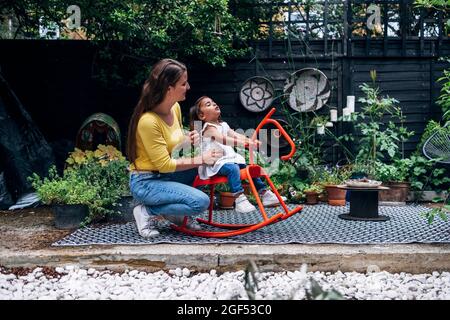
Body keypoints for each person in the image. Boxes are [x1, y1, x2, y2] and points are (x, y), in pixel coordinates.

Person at [127, 59, 223, 238]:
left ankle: (175, 214)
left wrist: (188, 138)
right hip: (146, 182)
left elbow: (174, 144)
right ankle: (147, 210)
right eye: (183, 83)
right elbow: (164, 164)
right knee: (200, 202)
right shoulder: (148, 121)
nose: (188, 87)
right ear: (168, 88)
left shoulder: (175, 108)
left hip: (165, 175)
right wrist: (202, 158)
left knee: (202, 171)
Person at [189, 96, 285, 214]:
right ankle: (239, 199)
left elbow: (236, 135)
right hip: (215, 164)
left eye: (214, 102)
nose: (214, 104)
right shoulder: (208, 128)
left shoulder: (223, 125)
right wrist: (242, 143)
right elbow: (223, 139)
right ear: (202, 116)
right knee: (232, 168)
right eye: (208, 104)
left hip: (228, 160)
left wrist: (249, 140)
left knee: (250, 170)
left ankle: (265, 194)